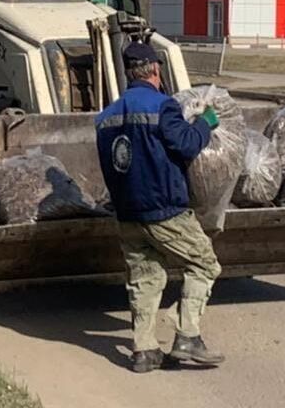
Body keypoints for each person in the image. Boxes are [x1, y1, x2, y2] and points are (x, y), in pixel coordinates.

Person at [94, 42, 224, 373]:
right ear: (155, 70)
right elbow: (187, 144)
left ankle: (144, 350)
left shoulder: (105, 118)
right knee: (205, 264)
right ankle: (187, 337)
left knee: (145, 276)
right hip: (164, 209)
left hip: (127, 213)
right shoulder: (162, 106)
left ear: (128, 73)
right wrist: (205, 122)